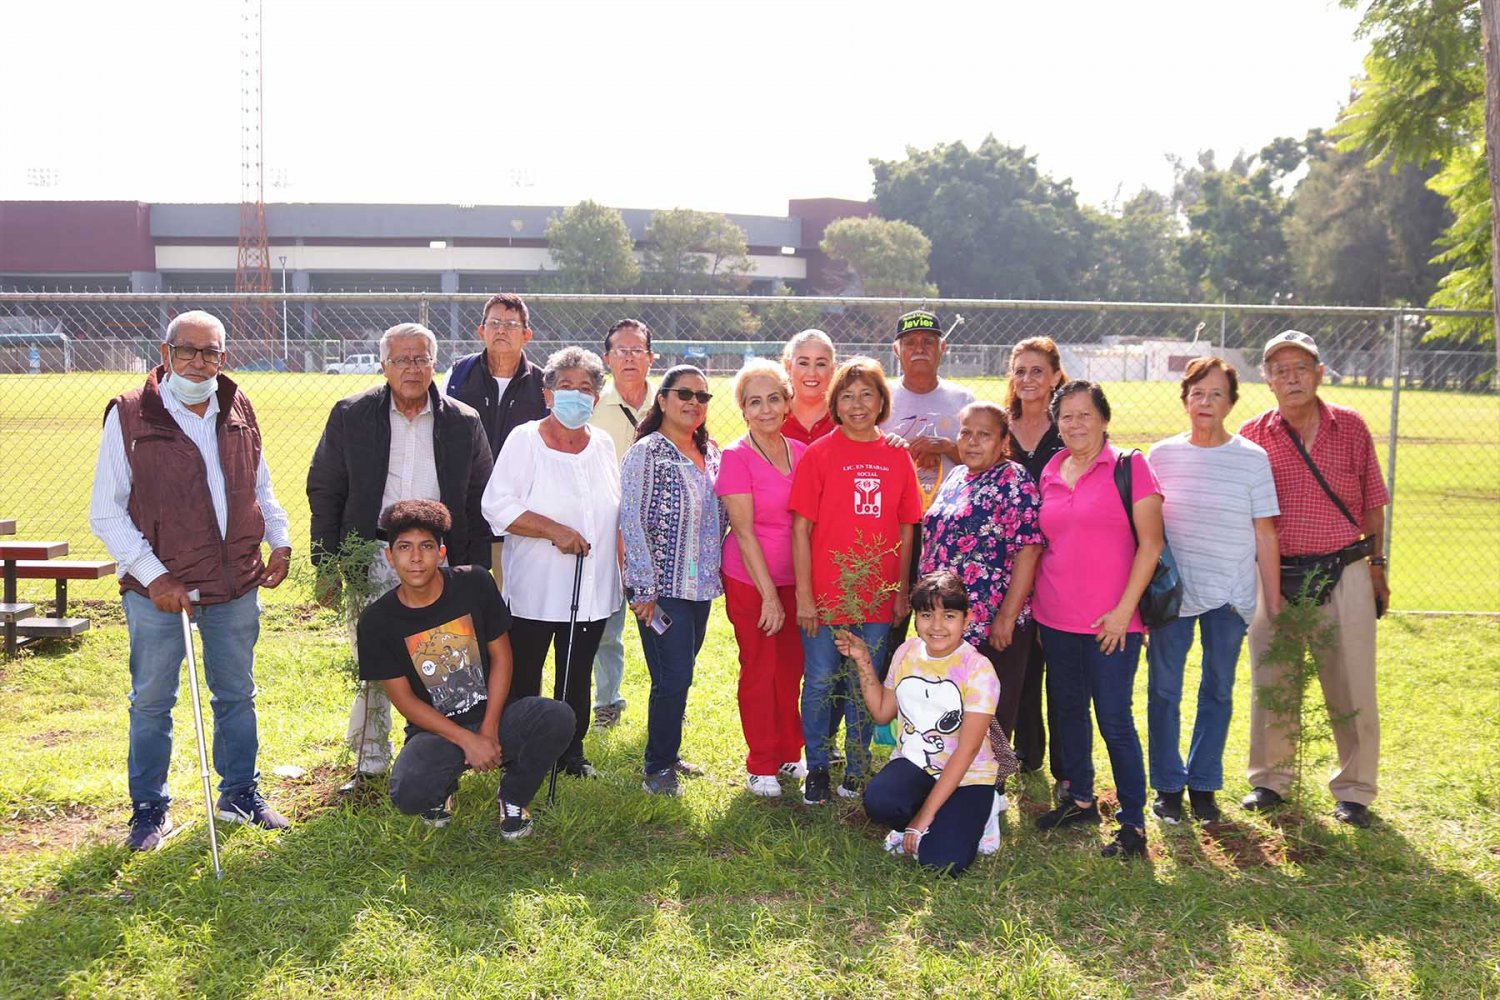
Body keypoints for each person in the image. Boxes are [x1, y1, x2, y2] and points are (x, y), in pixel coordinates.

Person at [89, 309, 293, 850]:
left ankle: (239, 793)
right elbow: (106, 512)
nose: (199, 363)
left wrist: (280, 540)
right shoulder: (130, 414)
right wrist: (156, 577)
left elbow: (261, 486)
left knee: (237, 694)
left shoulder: (238, 405)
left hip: (234, 584)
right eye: (188, 350)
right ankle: (149, 810)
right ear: (166, 353)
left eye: (211, 353)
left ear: (224, 357)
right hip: (160, 592)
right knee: (152, 701)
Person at [308, 322, 493, 788]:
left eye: (420, 358)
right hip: (372, 552)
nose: (411, 368)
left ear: (435, 363)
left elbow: (479, 498)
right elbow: (325, 486)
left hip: (440, 557)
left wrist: (472, 569)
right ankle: (369, 760)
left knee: (445, 658)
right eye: (401, 359)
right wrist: (325, 563)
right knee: (373, 661)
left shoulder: (463, 421)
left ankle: (441, 757)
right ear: (383, 365)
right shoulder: (351, 414)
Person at [1239, 330, 1389, 828]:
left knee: (1351, 682)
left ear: (1320, 373)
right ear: (1267, 379)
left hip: (1343, 568)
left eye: (1301, 368)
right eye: (1280, 369)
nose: (1291, 378)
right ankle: (1271, 780)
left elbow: (1372, 504)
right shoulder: (1252, 434)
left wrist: (1377, 567)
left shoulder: (1351, 425)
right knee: (1273, 679)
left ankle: (1355, 789)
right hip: (1275, 574)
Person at [355, 500, 574, 837]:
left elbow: (502, 657)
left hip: (497, 716)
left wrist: (489, 730)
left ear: (441, 552)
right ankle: (443, 789)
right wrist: (467, 741)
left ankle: (513, 796)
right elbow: (405, 701)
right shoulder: (376, 621)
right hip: (436, 731)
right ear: (389, 556)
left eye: (426, 546)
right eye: (404, 547)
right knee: (409, 793)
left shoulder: (474, 582)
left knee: (557, 717)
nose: (416, 558)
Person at [1031, 380, 1163, 859]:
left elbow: (1151, 544)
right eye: (1066, 416)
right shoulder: (1050, 471)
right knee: (1068, 712)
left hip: (1112, 624)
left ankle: (1133, 823)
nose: (1075, 424)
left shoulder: (1130, 466)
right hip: (1055, 618)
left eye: (1085, 414)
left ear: (1104, 419)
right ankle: (1081, 800)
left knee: (1114, 719)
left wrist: (1124, 612)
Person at [1146, 357, 1280, 825]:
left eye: (1216, 394)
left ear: (1231, 403)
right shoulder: (1160, 456)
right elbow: (1145, 529)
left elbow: (1265, 533)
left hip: (1230, 595)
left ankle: (1203, 785)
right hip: (1172, 596)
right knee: (1164, 691)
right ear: (1185, 399)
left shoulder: (1252, 458)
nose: (1205, 402)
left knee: (1218, 690)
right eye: (1197, 393)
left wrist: (1273, 601)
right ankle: (1167, 786)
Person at [482, 347, 620, 779]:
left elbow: (613, 507)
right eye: (565, 386)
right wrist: (553, 530)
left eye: (585, 388)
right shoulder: (525, 440)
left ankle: (570, 753)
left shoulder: (603, 444)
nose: (575, 395)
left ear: (596, 398)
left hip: (591, 587)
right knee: (525, 675)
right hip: (536, 590)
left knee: (576, 674)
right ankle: (520, 751)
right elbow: (496, 504)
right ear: (548, 394)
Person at [790, 356, 922, 805]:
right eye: (847, 396)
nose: (857, 404)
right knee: (821, 681)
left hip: (877, 597)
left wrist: (900, 591)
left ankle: (857, 766)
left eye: (867, 394)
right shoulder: (819, 454)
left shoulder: (897, 455)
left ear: (882, 400)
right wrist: (805, 596)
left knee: (865, 680)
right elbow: (801, 529)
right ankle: (818, 767)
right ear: (835, 404)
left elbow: (906, 528)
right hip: (826, 598)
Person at [839, 571, 1010, 876]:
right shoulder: (907, 652)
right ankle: (934, 817)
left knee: (942, 863)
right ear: (916, 617)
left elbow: (967, 752)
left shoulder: (978, 670)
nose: (937, 626)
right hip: (918, 764)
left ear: (967, 619)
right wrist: (863, 659)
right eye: (927, 615)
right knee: (880, 802)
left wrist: (921, 820)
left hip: (968, 776)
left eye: (949, 616)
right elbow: (882, 712)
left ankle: (984, 812)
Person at [919, 401, 1043, 811]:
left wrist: (1007, 616)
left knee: (990, 706)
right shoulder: (957, 476)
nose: (972, 442)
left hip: (992, 622)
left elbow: (1028, 549)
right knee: (952, 704)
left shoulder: (1014, 479)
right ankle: (949, 781)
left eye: (984, 434)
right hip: (948, 624)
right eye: (966, 433)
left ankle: (991, 790)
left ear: (1004, 441)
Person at [620, 365, 724, 796]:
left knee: (682, 673)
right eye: (684, 393)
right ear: (662, 400)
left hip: (700, 587)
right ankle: (657, 767)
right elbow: (630, 520)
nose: (693, 403)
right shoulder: (647, 453)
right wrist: (643, 590)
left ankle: (669, 752)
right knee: (673, 676)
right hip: (662, 591)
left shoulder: (711, 452)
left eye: (702, 396)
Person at [715, 359, 808, 797]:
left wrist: (804, 588)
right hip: (751, 581)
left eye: (774, 398)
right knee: (760, 668)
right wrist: (769, 597)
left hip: (796, 580)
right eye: (755, 402)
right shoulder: (736, 457)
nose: (766, 409)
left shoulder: (803, 453)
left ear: (788, 402)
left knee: (791, 668)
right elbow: (745, 532)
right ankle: (761, 763)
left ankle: (789, 751)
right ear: (743, 409)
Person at [1004, 337, 1068, 780]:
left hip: (1060, 560)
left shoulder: (1069, 427)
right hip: (1009, 562)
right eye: (1020, 370)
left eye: (1038, 371)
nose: (1028, 379)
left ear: (1055, 377)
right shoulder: (1000, 428)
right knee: (1018, 662)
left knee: (1058, 666)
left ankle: (1067, 768)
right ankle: (1025, 753)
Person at [588, 319, 656, 730]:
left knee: (663, 627)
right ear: (607, 358)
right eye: (620, 351)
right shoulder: (593, 406)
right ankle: (607, 701)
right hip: (606, 530)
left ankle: (669, 700)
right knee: (607, 626)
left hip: (659, 533)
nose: (629, 358)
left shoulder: (669, 401)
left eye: (637, 350)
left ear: (651, 357)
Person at [882, 310, 975, 509]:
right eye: (910, 343)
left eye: (928, 342)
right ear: (896, 350)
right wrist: (905, 453)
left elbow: (981, 461)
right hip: (893, 511)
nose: (919, 349)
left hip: (951, 513)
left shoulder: (964, 400)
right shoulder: (880, 398)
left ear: (942, 347)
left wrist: (946, 447)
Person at [444, 292, 549, 458]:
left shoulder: (543, 385)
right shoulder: (458, 374)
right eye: (494, 323)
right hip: (467, 474)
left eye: (511, 324)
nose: (501, 330)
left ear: (526, 335)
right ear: (481, 331)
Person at [780, 328, 837, 445]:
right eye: (803, 363)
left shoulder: (845, 418)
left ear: (832, 369)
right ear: (788, 366)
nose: (812, 373)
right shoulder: (773, 418)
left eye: (821, 364)